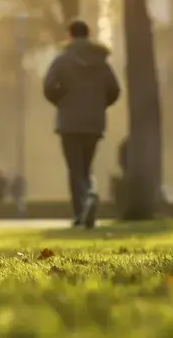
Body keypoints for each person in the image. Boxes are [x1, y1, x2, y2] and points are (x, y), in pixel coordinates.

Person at [43, 18, 121, 229]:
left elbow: (48, 87)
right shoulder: (101, 61)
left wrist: (62, 100)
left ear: (69, 35)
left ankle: (82, 208)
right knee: (86, 167)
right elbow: (114, 90)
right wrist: (99, 104)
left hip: (69, 122)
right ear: (89, 34)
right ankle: (90, 195)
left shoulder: (62, 60)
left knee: (75, 168)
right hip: (94, 122)